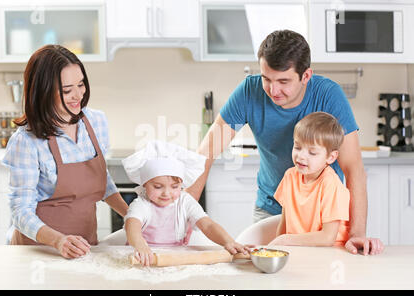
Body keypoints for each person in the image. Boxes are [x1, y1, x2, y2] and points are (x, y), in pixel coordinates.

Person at [186, 30, 384, 255]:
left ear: (306, 76)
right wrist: (183, 216)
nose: (273, 90)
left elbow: (353, 169)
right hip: (271, 207)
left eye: (283, 81)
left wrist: (357, 234)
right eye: (266, 79)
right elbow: (204, 155)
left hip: (321, 216)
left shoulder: (329, 95)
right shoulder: (249, 92)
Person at [2, 45, 129, 259]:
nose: (78, 95)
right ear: (43, 91)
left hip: (82, 246)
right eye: (67, 90)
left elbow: (101, 180)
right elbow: (20, 212)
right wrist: (58, 240)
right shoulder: (26, 141)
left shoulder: (96, 122)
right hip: (37, 251)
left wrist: (132, 216)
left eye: (81, 84)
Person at [122, 140, 250, 266]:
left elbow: (207, 225)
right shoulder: (142, 204)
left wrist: (228, 241)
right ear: (145, 184)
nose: (166, 193)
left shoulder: (185, 201)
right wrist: (140, 245)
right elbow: (132, 226)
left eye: (174, 186)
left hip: (174, 258)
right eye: (158, 186)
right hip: (143, 258)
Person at [268, 112, 350, 247]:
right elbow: (285, 222)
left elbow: (328, 238)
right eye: (297, 147)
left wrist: (285, 240)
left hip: (331, 255)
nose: (301, 156)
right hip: (300, 250)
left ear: (330, 157)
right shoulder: (290, 176)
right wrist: (278, 248)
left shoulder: (331, 184)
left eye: (312, 152)